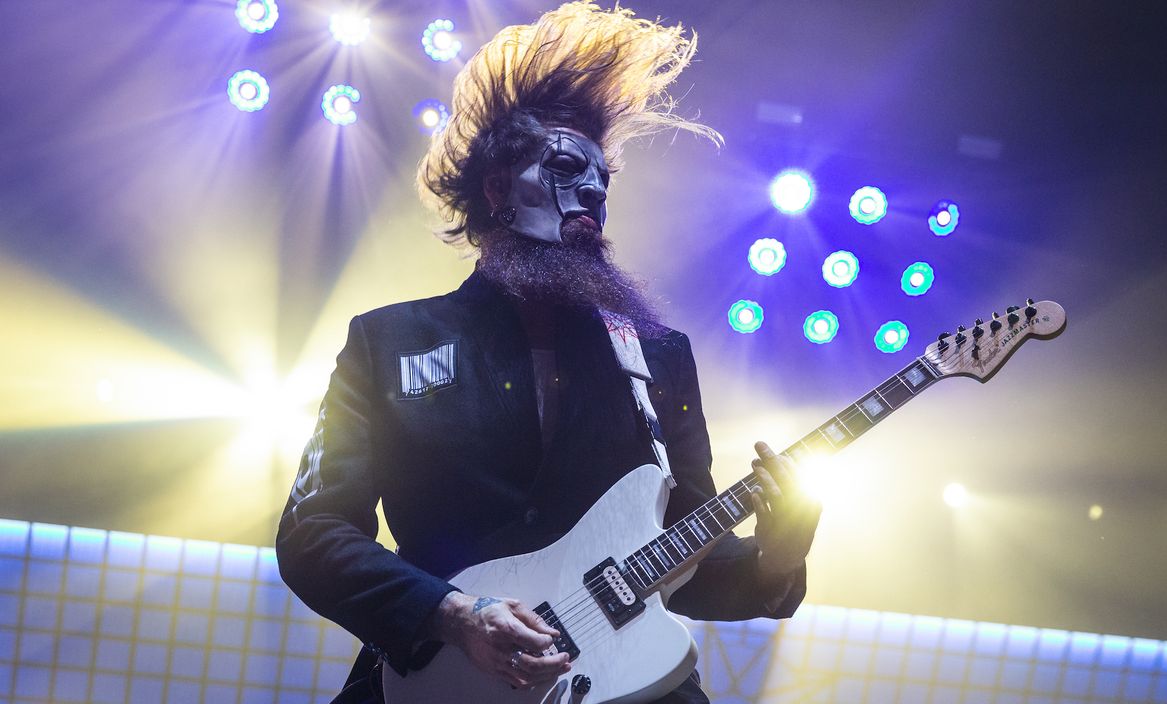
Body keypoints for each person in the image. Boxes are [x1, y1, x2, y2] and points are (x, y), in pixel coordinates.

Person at [275, 3, 822, 702]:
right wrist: (453, 614)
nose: (592, 188)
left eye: (603, 177)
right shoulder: (389, 342)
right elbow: (313, 532)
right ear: (498, 189)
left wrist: (780, 557)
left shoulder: (657, 357)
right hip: (441, 680)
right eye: (566, 165)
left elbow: (687, 561)